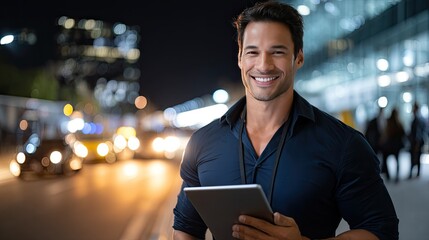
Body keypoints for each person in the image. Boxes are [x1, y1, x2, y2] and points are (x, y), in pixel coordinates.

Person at [172, 1, 399, 239]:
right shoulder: (202, 142)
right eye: (252, 52)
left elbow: (381, 230)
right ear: (239, 57)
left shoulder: (344, 145)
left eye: (277, 52)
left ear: (298, 57)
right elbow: (185, 228)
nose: (263, 65)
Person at [379, 108, 406, 183]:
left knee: (387, 159)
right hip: (396, 145)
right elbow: (403, 134)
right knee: (397, 160)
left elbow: (386, 133)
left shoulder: (389, 122)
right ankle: (396, 176)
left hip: (390, 146)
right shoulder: (399, 123)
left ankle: (388, 175)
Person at [408, 102, 426, 178]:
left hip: (416, 142)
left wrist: (417, 143)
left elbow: (418, 132)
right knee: (416, 157)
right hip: (416, 141)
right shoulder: (418, 118)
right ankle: (416, 173)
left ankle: (414, 173)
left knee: (415, 157)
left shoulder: (417, 119)